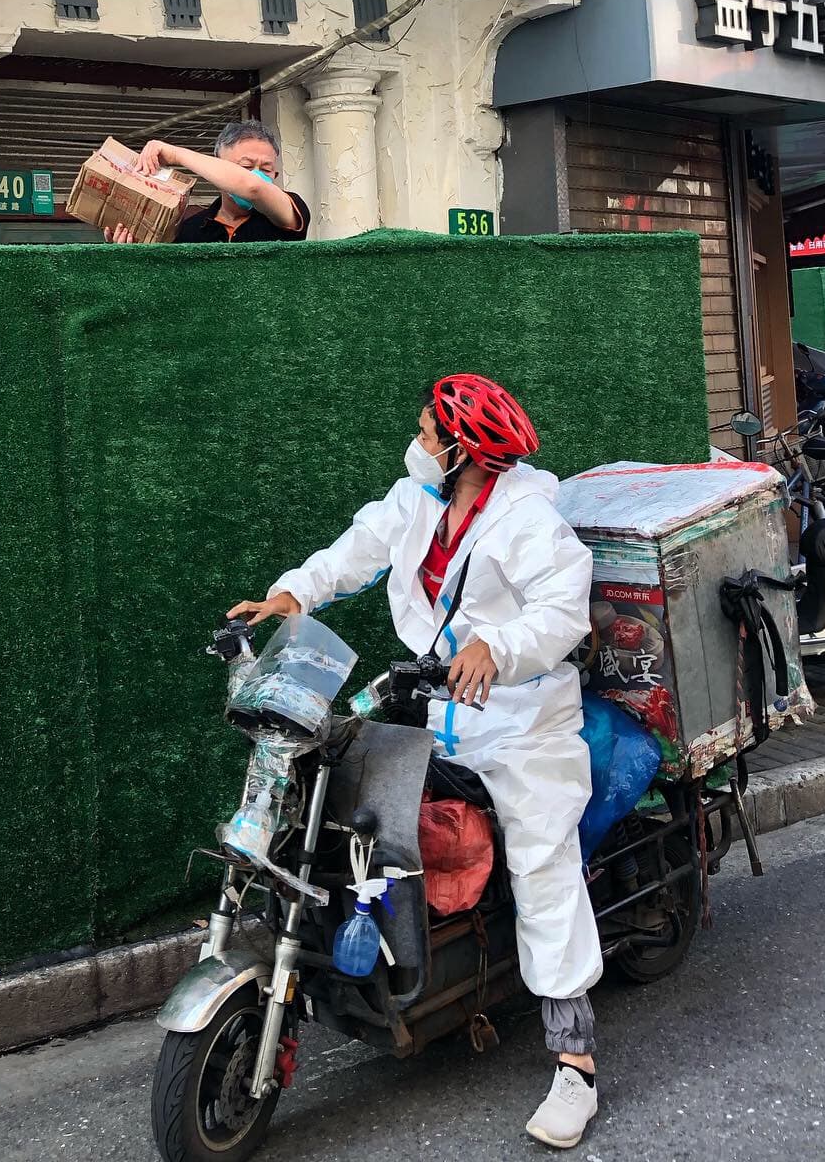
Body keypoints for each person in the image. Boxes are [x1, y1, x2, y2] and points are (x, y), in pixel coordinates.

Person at [229, 373, 602, 1151]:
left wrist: (496, 648)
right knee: (359, 813)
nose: (421, 438)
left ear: (465, 448)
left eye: (432, 432)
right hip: (434, 704)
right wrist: (291, 595)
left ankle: (574, 1059)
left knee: (540, 855)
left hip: (520, 719)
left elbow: (562, 609)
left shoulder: (529, 519)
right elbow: (353, 551)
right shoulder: (415, 504)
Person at [104, 120, 310, 245]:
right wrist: (129, 253)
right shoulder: (190, 230)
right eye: (245, 167)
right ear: (218, 170)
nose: (256, 176)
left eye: (266, 170)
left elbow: (253, 188)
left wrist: (175, 154)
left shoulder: (288, 213)